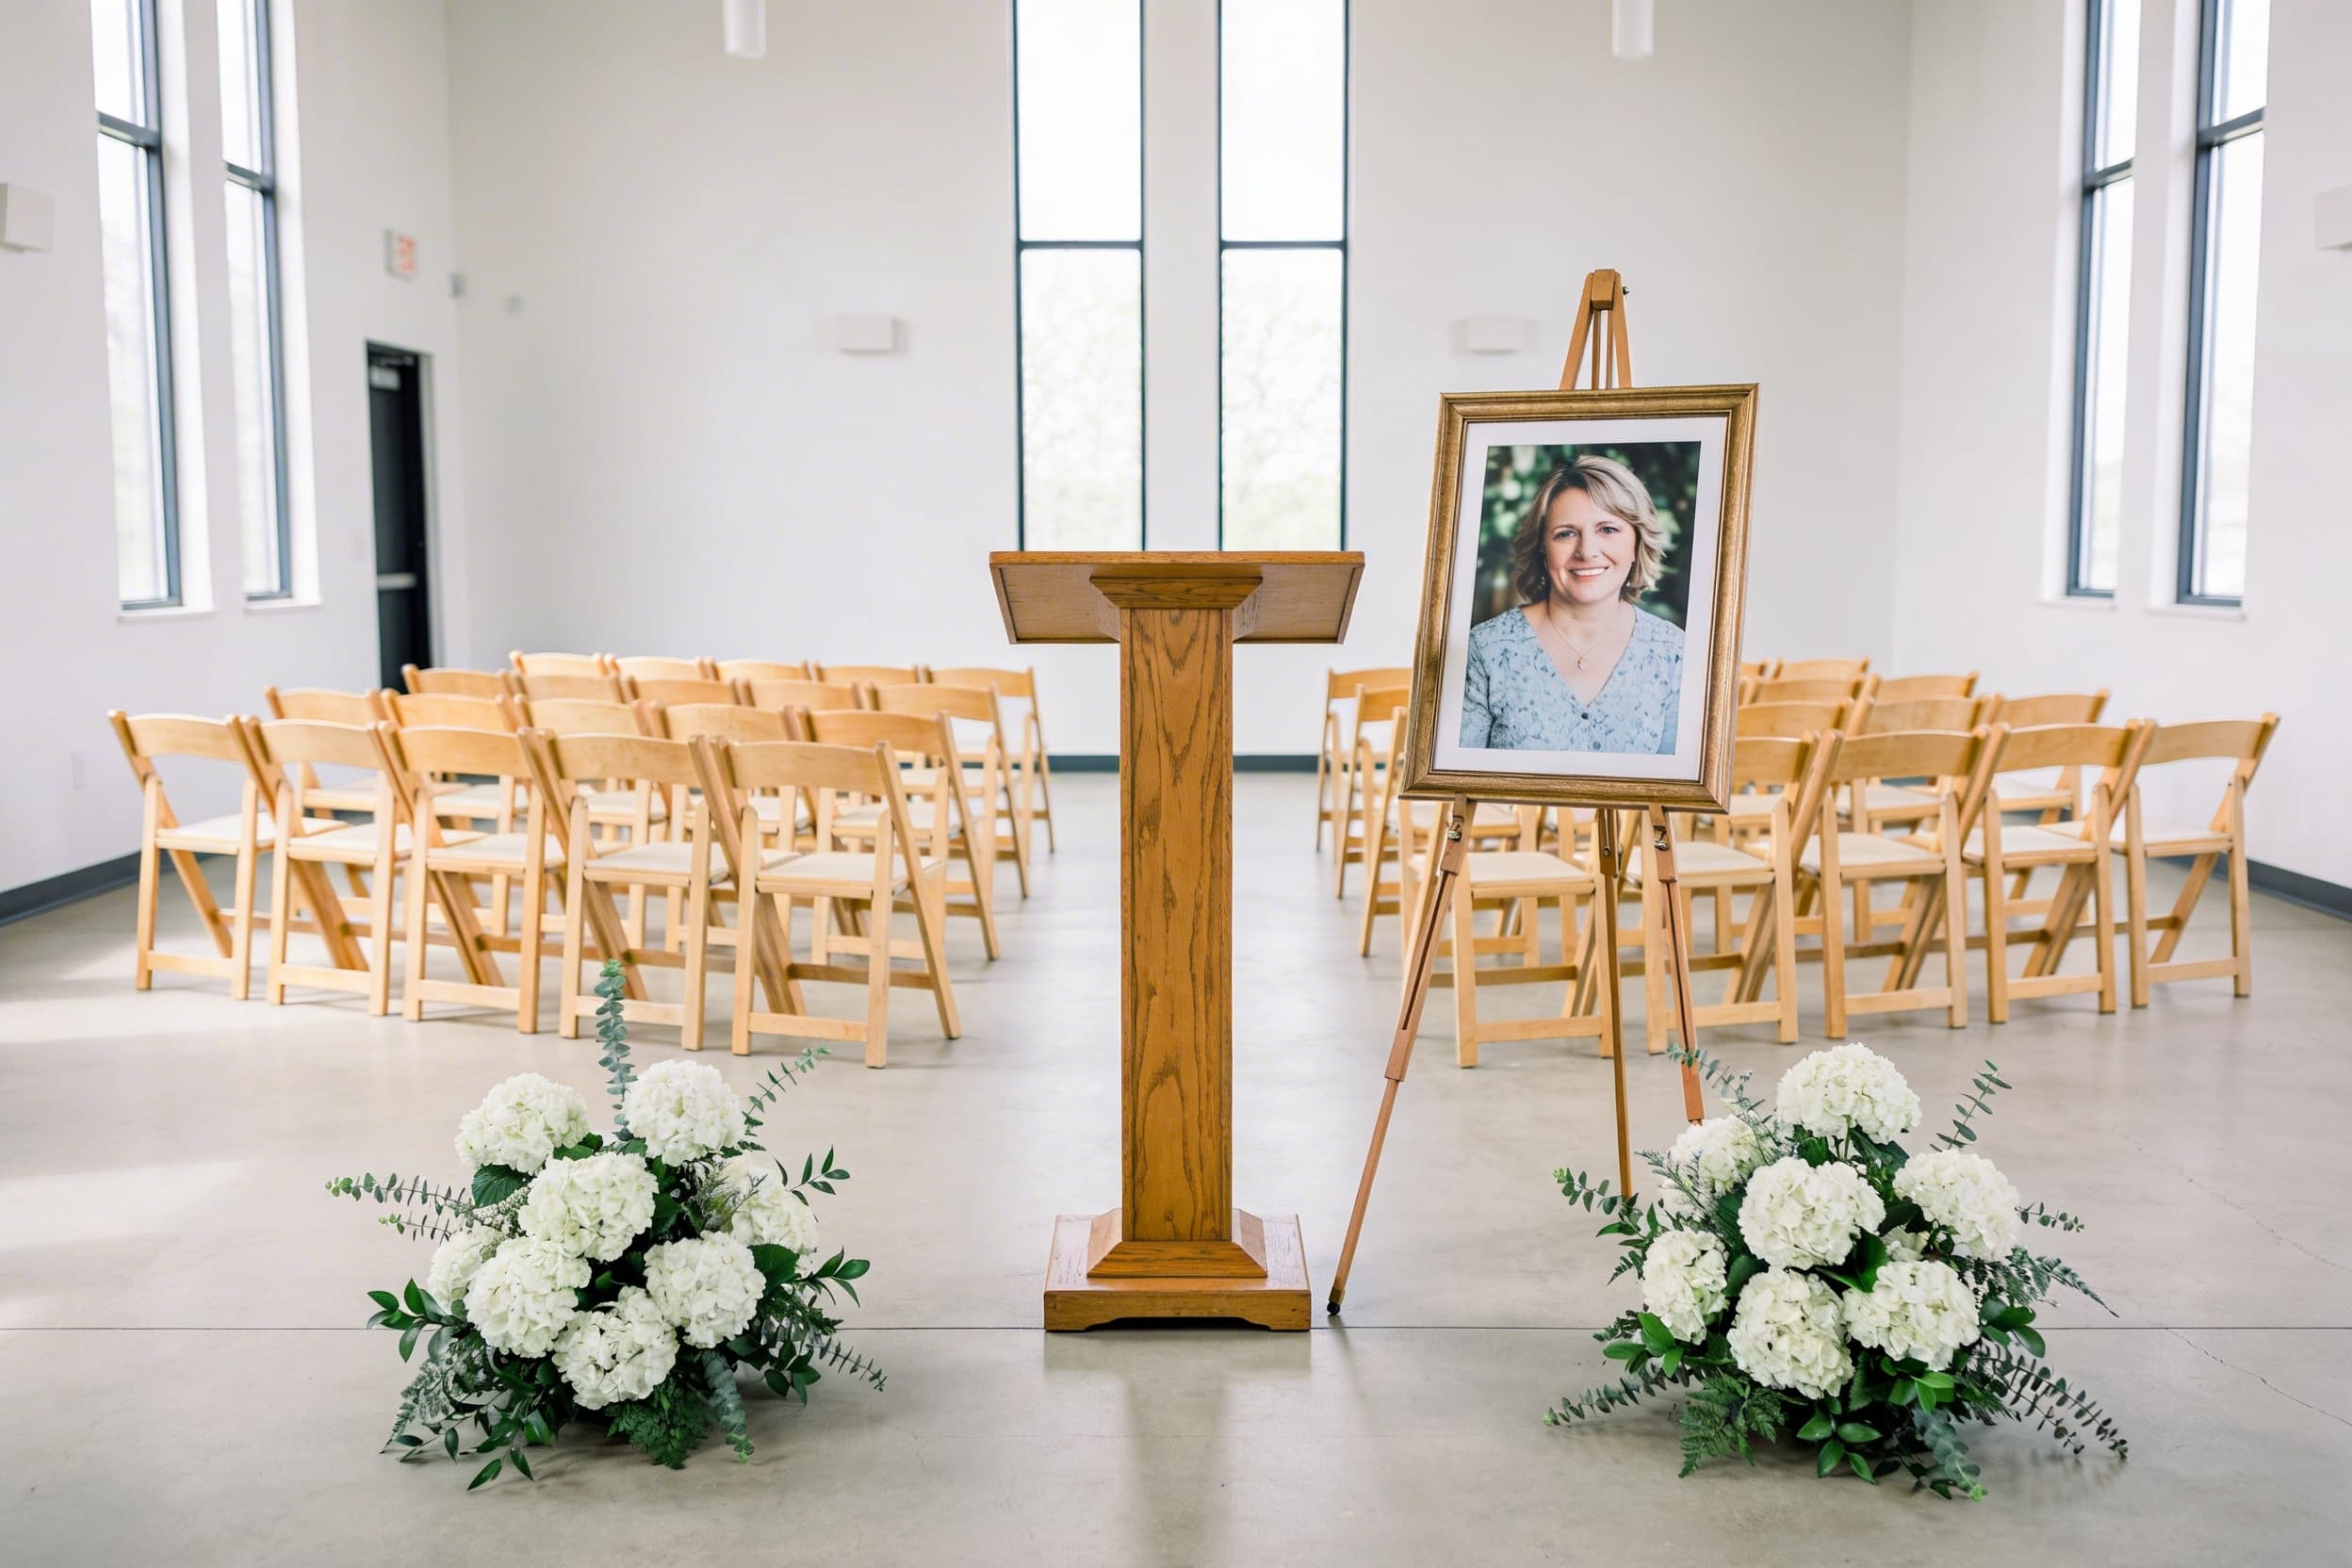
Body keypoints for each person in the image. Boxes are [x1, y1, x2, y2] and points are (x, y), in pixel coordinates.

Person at [1457, 453, 1684, 753]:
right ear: (1542, 547)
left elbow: (1676, 795)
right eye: (1566, 534)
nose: (1587, 551)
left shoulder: (1673, 652)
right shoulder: (1486, 648)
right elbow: (1459, 791)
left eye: (1608, 529)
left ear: (1638, 542)